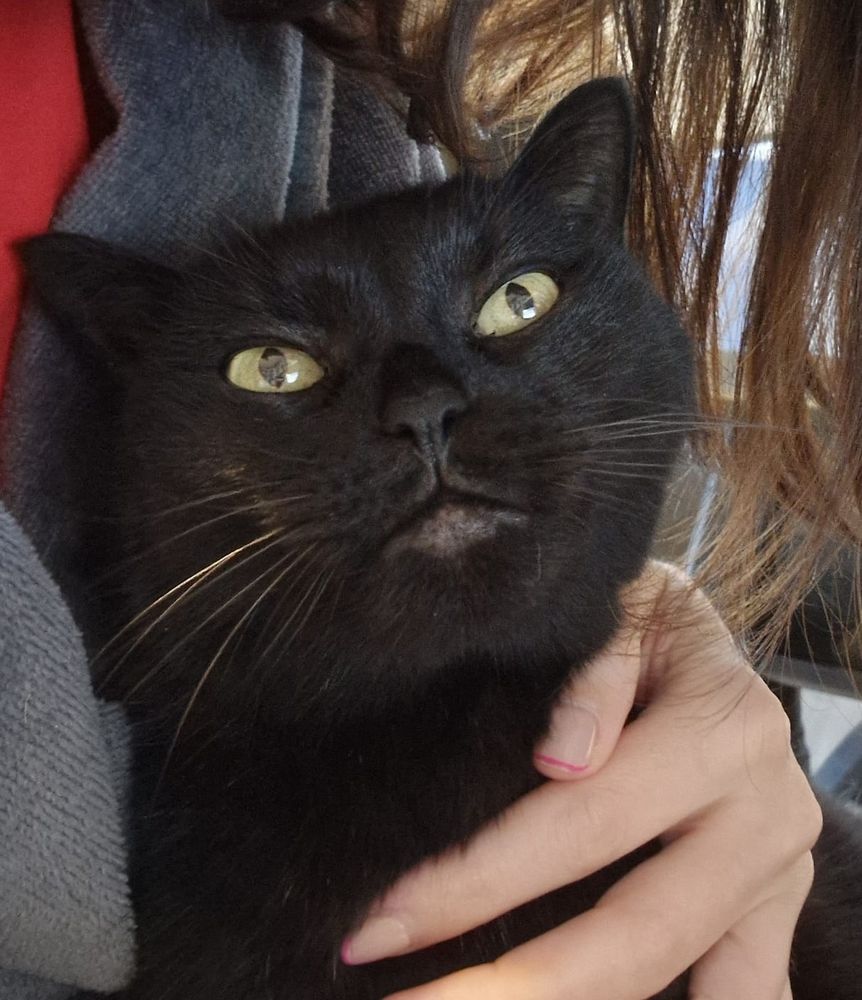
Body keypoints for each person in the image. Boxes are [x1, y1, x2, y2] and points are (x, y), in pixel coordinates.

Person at [0, 1, 853, 997]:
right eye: (277, 366)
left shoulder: (324, 66)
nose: (421, 405)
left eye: (514, 304)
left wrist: (659, 630)